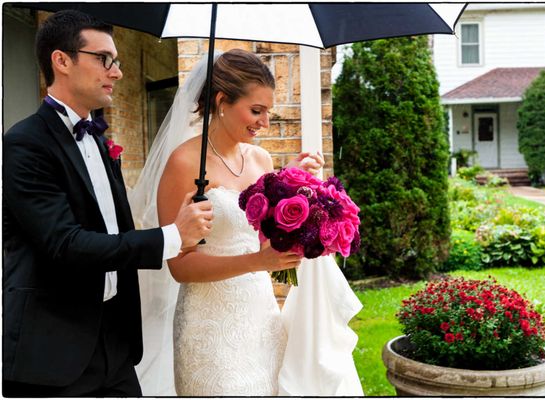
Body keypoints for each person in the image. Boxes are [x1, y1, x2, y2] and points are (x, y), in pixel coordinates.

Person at [2, 10, 213, 397]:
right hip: (52, 352)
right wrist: (170, 237)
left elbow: (116, 233)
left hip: (115, 343)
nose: (116, 72)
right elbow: (65, 245)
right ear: (61, 61)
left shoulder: (99, 141)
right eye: (104, 60)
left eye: (115, 61)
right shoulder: (24, 144)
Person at [130, 49, 325, 396]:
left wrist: (297, 195)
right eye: (256, 110)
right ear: (222, 101)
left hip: (262, 318)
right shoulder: (184, 163)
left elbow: (269, 241)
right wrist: (256, 262)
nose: (265, 122)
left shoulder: (261, 159)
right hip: (208, 329)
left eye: (268, 111)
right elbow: (179, 266)